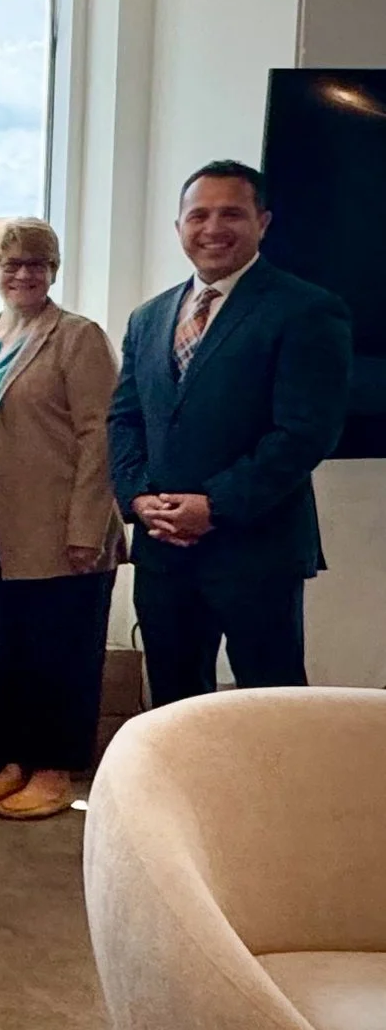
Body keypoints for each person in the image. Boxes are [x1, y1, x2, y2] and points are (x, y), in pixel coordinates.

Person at [108, 160, 352, 704]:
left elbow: (305, 433)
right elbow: (124, 419)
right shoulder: (149, 318)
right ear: (179, 227)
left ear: (262, 222)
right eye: (199, 215)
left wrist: (214, 506)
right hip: (163, 551)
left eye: (231, 214)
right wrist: (139, 498)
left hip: (256, 549)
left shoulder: (307, 310)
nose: (213, 228)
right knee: (173, 706)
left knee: (271, 705)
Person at [0, 219, 124, 821]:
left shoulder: (78, 337)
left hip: (61, 531)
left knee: (60, 655)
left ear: (54, 270)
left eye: (37, 264)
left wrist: (86, 529)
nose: (24, 274)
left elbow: (100, 436)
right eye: (12, 264)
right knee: (2, 652)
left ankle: (54, 771)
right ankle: (12, 762)